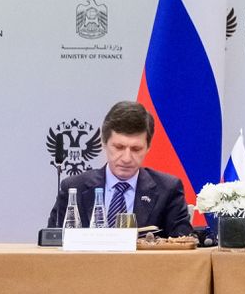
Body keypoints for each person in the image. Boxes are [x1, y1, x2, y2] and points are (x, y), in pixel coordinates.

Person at [46, 100, 192, 236]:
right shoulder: (74, 188)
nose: (126, 158)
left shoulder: (167, 190)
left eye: (136, 149)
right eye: (119, 147)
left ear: (148, 147)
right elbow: (53, 242)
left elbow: (182, 243)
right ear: (104, 142)